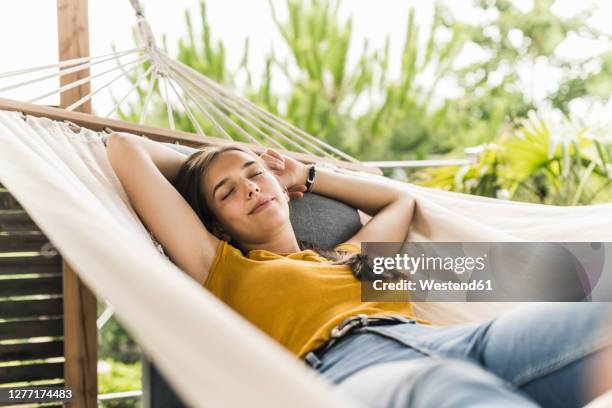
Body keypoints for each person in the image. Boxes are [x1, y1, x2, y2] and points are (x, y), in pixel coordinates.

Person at [106, 132, 612, 408]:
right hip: (341, 374)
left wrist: (302, 173)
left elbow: (399, 199)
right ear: (215, 224)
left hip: (448, 341)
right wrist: (212, 164)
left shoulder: (353, 257)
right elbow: (125, 149)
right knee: (442, 390)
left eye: (255, 175)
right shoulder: (219, 268)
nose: (251, 188)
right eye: (228, 192)